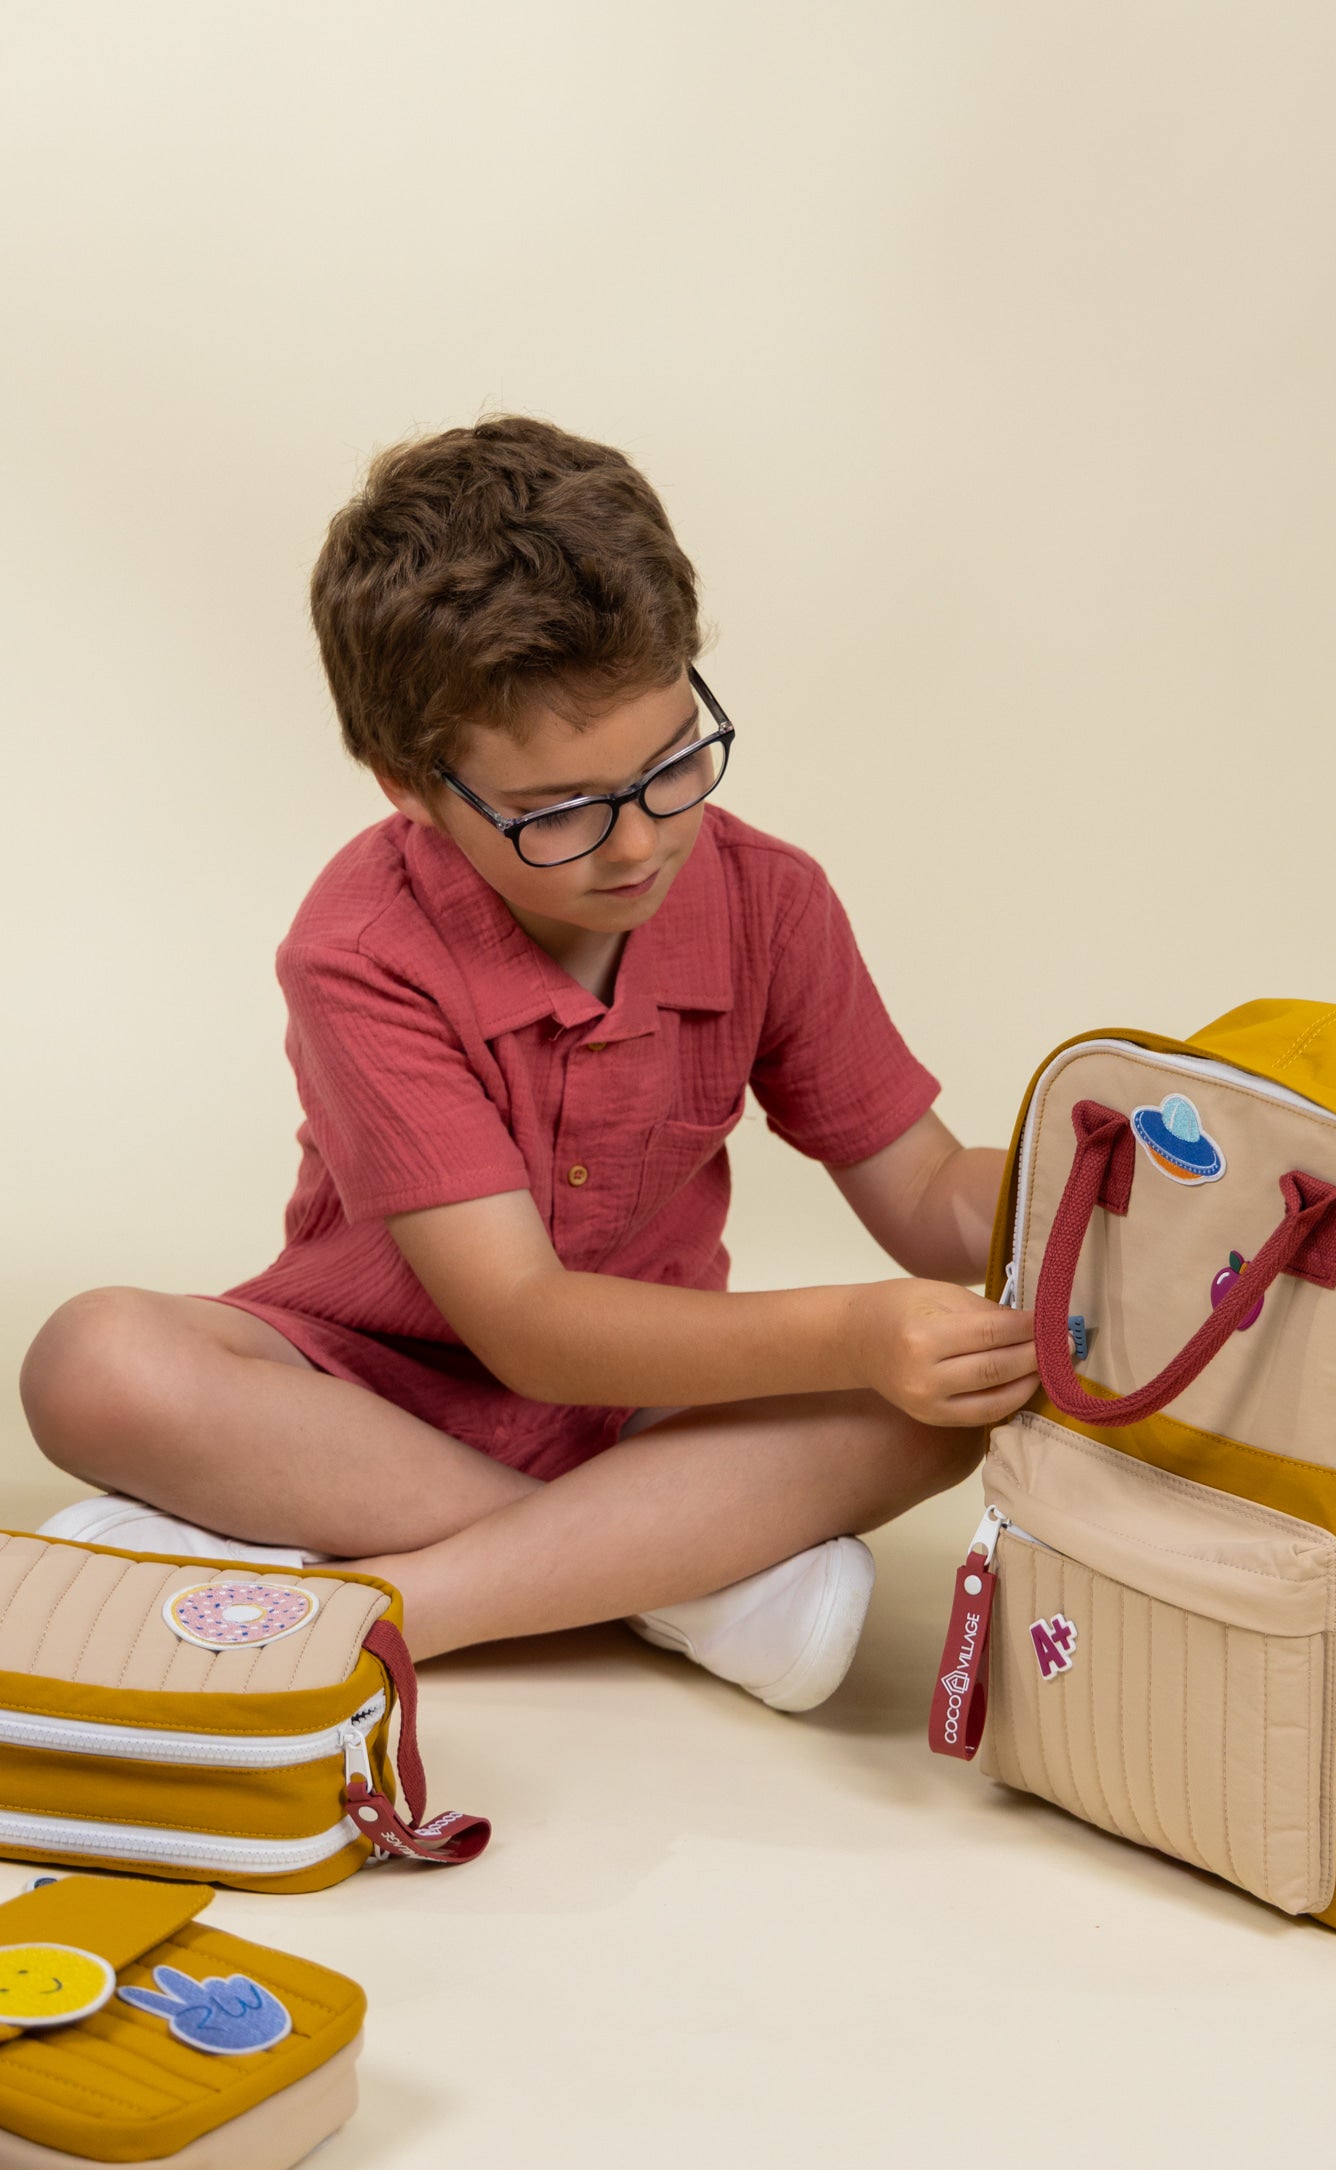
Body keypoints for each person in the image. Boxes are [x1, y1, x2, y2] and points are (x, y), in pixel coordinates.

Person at [20, 417, 1038, 1711]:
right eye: (559, 812)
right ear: (408, 783)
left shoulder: (768, 898)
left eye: (673, 766)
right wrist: (850, 1324)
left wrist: (1110, 1175)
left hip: (655, 1408)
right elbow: (525, 1326)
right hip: (368, 1396)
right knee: (92, 1360)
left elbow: (931, 1197)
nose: (635, 845)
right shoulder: (360, 950)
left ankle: (403, 1595)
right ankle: (672, 1584)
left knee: (937, 1396)